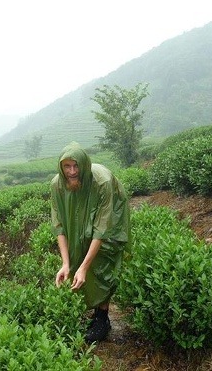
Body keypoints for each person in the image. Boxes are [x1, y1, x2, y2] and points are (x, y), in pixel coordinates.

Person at [51, 142, 130, 343]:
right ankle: (94, 310)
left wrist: (85, 267)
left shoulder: (101, 182)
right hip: (81, 211)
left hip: (113, 209)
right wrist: (66, 264)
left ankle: (102, 317)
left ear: (84, 165)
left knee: (102, 259)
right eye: (67, 166)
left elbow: (102, 229)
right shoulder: (57, 186)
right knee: (79, 249)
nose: (72, 171)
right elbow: (59, 225)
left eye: (76, 166)